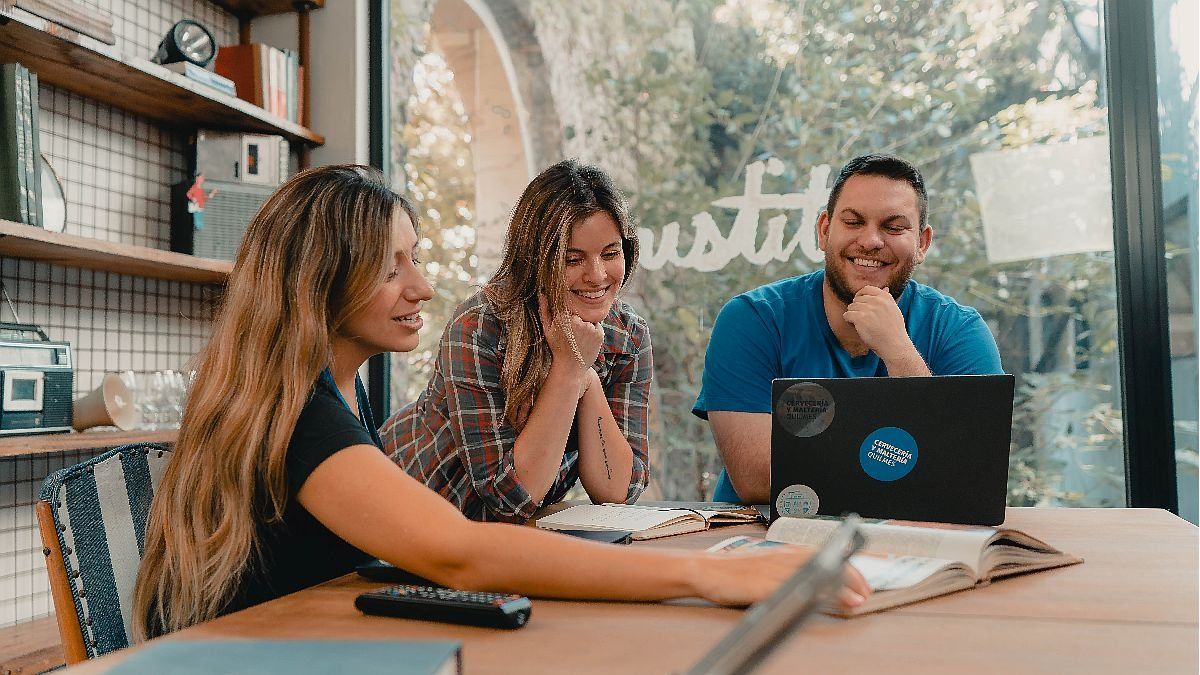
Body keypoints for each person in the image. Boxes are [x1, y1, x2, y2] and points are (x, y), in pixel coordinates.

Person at [132, 164, 869, 639]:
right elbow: (463, 543)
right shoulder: (301, 415)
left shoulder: (322, 390)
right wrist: (708, 572)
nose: (421, 286)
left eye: (415, 259)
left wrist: (580, 373)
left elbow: (615, 486)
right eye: (393, 269)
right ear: (321, 282)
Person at [694, 154, 1003, 504]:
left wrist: (899, 352)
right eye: (853, 222)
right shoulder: (753, 319)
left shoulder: (958, 330)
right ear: (825, 230)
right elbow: (756, 479)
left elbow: (972, 476)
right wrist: (911, 465)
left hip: (909, 543)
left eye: (894, 227)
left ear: (922, 243)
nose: (871, 240)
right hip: (763, 539)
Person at [381, 159, 651, 523]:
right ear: (535, 259)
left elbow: (620, 491)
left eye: (610, 253)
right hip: (398, 514)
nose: (598, 275)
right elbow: (511, 497)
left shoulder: (627, 337)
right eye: (572, 260)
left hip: (490, 543)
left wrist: (584, 379)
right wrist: (570, 370)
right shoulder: (479, 328)